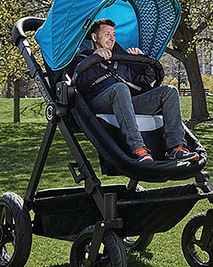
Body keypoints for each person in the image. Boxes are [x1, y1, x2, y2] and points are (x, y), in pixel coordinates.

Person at [73, 18, 198, 163]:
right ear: (95, 37)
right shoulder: (83, 58)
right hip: (99, 101)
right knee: (120, 88)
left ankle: (176, 148)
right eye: (107, 34)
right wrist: (95, 57)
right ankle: (138, 149)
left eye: (114, 34)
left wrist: (139, 58)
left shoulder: (121, 60)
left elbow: (146, 79)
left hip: (126, 100)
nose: (112, 38)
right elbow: (79, 83)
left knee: (169, 91)